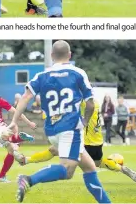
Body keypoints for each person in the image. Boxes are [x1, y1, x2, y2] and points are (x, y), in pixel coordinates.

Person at [10, 40, 111, 203]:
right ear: (69, 55)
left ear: (51, 56)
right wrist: (84, 121)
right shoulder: (78, 73)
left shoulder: (41, 75)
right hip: (71, 127)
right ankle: (28, 179)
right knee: (67, 170)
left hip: (52, 130)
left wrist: (14, 121)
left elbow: (26, 97)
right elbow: (91, 104)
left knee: (90, 168)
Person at [17, 98, 136, 183]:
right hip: (96, 142)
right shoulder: (94, 101)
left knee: (58, 156)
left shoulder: (84, 102)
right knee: (97, 163)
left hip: (87, 142)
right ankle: (121, 168)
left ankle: (29, 174)